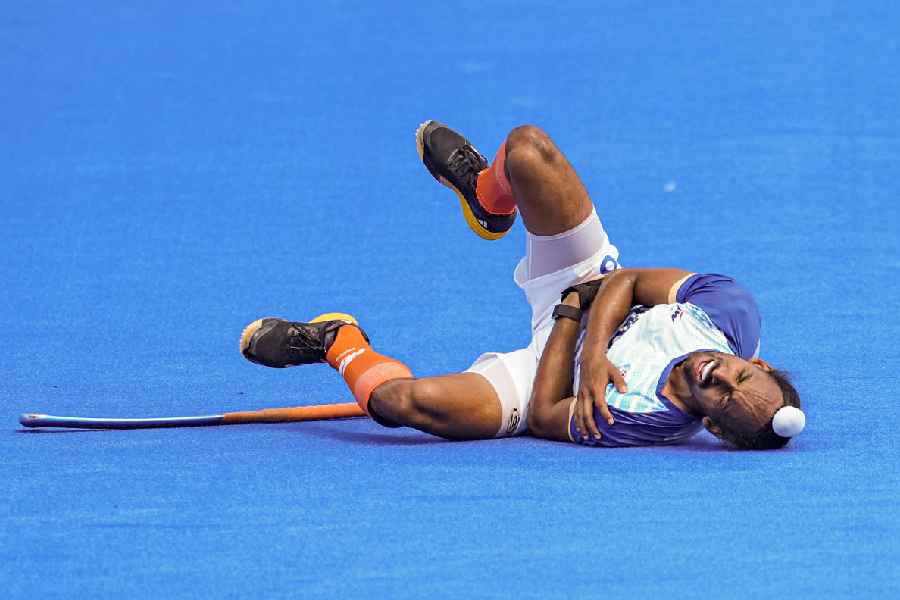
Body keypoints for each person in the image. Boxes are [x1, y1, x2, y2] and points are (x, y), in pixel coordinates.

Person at [240, 121, 805, 449]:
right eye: (740, 376)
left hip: (546, 364)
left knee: (400, 404)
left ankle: (338, 342)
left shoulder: (646, 419)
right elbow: (629, 281)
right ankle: (489, 199)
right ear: (759, 363)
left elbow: (543, 412)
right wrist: (595, 355)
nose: (719, 377)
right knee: (528, 148)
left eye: (723, 399)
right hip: (589, 281)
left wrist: (571, 316)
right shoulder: (730, 312)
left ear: (711, 426)